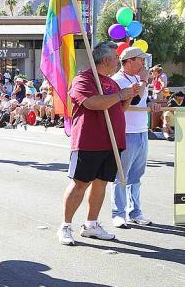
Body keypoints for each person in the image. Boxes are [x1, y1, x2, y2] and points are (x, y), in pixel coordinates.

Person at [58, 41, 140, 246]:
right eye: (115, 57)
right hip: (89, 141)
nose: (118, 61)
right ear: (105, 60)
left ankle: (91, 225)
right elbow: (92, 103)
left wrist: (128, 95)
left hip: (111, 142)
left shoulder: (111, 83)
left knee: (101, 183)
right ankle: (65, 226)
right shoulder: (83, 79)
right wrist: (120, 95)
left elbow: (118, 109)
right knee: (80, 183)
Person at [110, 47, 160, 228]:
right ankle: (118, 213)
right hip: (126, 132)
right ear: (129, 61)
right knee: (121, 176)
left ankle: (135, 212)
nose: (144, 64)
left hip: (141, 131)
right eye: (141, 60)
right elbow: (135, 99)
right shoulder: (118, 80)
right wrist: (145, 80)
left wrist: (152, 103)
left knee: (136, 176)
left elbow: (144, 100)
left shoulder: (138, 79)